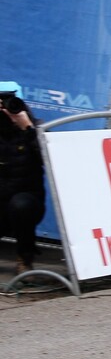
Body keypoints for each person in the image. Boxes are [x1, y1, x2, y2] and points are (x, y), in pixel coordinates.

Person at [0, 85, 45, 275]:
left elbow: (49, 160)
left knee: (21, 205)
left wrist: (27, 128)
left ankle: (25, 259)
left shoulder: (34, 131)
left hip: (26, 201)